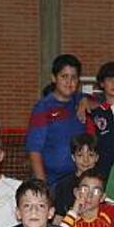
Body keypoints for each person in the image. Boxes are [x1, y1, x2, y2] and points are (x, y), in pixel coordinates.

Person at [27, 54, 86, 188]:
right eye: (64, 76)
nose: (69, 82)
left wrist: (84, 100)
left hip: (80, 182)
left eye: (73, 77)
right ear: (54, 78)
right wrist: (43, 187)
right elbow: (34, 151)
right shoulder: (42, 108)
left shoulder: (81, 102)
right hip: (53, 183)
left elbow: (103, 100)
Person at [53, 133, 100, 222]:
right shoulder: (64, 185)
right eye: (80, 155)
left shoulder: (104, 183)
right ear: (73, 157)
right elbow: (59, 216)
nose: (85, 160)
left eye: (90, 155)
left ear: (97, 157)